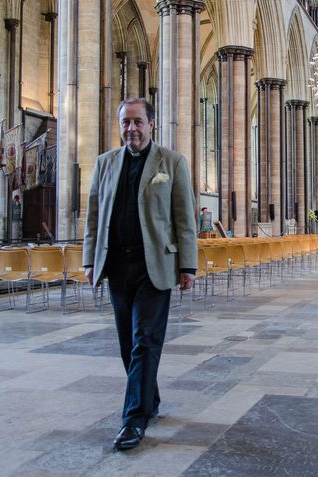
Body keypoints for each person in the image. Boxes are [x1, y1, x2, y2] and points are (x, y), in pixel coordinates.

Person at [83, 98, 198, 451]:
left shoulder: (172, 162)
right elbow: (93, 216)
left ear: (151, 125)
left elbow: (185, 217)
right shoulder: (105, 163)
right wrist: (90, 260)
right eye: (125, 122)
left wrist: (188, 265)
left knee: (146, 339)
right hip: (117, 265)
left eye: (137, 122)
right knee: (127, 344)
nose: (131, 128)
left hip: (156, 266)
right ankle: (149, 399)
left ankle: (134, 419)